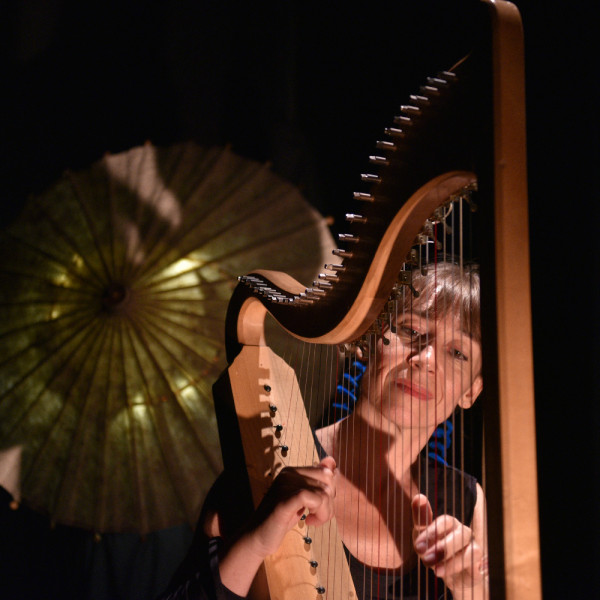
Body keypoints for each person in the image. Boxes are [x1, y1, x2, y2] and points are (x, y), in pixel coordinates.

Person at [157, 262, 488, 600]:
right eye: (411, 331)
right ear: (368, 339)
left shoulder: (466, 502)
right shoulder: (269, 470)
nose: (426, 358)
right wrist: (255, 542)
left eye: (457, 353)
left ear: (471, 392)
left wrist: (473, 591)